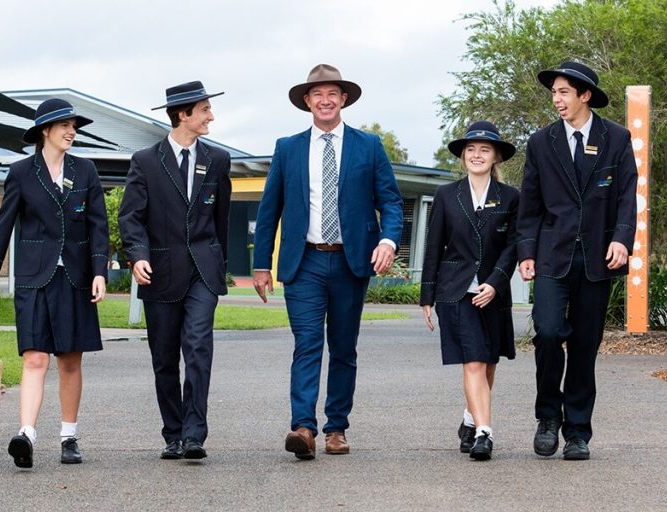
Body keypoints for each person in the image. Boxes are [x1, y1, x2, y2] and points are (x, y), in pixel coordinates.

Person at [253, 64, 403, 460]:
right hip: (303, 264)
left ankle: (336, 427)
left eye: (332, 93)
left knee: (343, 348)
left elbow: (389, 200)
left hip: (351, 263)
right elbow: (270, 210)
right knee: (307, 343)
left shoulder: (368, 146)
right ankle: (303, 427)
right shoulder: (287, 148)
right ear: (307, 101)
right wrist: (261, 264)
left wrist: (388, 239)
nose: (325, 100)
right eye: (317, 94)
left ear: (344, 99)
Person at [0, 98, 109, 468]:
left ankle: (69, 436)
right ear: (45, 130)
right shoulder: (21, 173)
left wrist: (100, 271)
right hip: (34, 277)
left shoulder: (86, 171)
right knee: (34, 358)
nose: (71, 131)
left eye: (74, 126)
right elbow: (2, 228)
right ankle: (26, 434)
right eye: (65, 125)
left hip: (76, 278)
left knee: (69, 360)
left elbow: (99, 226)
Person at [517, 61, 637, 461]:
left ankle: (578, 432)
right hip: (552, 255)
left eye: (564, 92)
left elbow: (626, 197)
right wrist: (526, 252)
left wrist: (622, 240)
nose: (557, 99)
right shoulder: (540, 142)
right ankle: (548, 417)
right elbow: (530, 206)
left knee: (585, 346)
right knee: (549, 333)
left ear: (585, 95)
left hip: (598, 258)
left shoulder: (616, 139)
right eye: (554, 92)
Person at [118, 81, 232, 461]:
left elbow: (222, 218)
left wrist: (220, 266)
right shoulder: (146, 161)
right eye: (204, 110)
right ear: (183, 114)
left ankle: (195, 434)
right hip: (161, 273)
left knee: (198, 347)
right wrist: (137, 256)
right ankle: (173, 433)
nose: (210, 116)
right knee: (164, 356)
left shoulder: (218, 160)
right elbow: (131, 217)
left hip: (203, 268)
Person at [420, 121, 519, 461]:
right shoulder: (447, 195)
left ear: (495, 157)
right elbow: (433, 247)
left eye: (485, 149)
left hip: (495, 292)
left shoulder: (511, 197)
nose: (477, 155)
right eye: (471, 149)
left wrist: (495, 282)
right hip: (455, 292)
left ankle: (469, 418)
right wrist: (427, 297)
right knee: (474, 361)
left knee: (489, 361)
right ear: (463, 155)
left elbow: (514, 246)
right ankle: (484, 433)